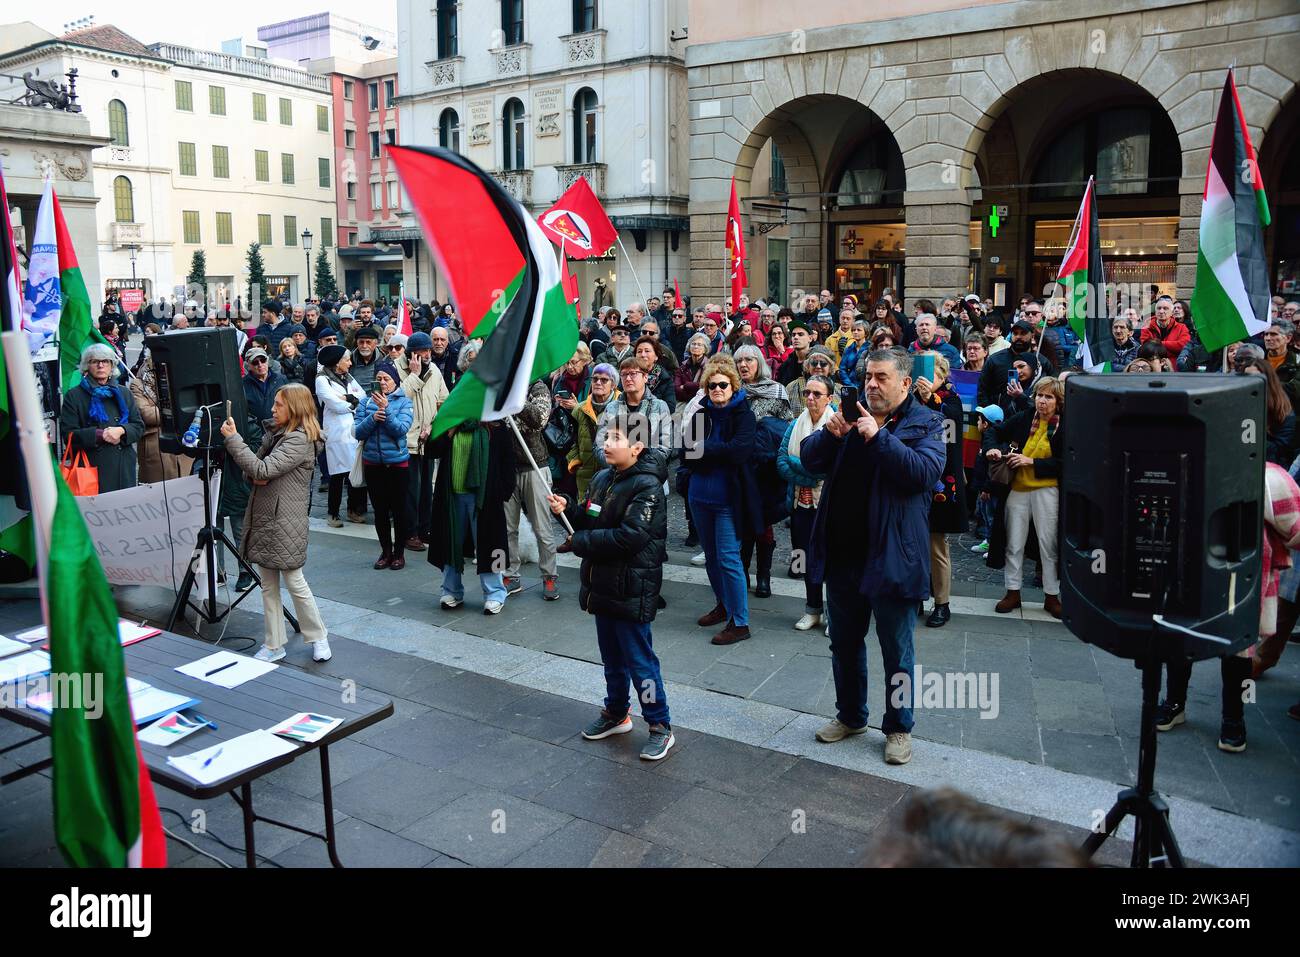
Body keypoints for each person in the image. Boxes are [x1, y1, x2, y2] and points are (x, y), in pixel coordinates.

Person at [800, 349, 945, 765]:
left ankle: (898, 728)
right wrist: (830, 433)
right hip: (844, 555)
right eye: (868, 377)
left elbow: (921, 473)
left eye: (882, 378)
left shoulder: (926, 422)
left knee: (897, 650)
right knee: (843, 644)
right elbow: (809, 460)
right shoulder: (851, 414)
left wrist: (877, 437)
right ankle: (851, 716)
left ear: (903, 382)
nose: (872, 385)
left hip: (893, 558)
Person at [546, 413, 674, 759]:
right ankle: (616, 712)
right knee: (612, 658)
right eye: (606, 437)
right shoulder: (604, 477)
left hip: (632, 585)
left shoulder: (647, 486)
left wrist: (581, 542)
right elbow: (591, 516)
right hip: (602, 582)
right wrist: (568, 509)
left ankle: (660, 724)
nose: (606, 444)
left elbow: (630, 537)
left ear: (637, 446)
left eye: (615, 438)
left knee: (640, 661)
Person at [1157, 460, 1300, 752]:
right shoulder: (1188, 462)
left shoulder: (1267, 475)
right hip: (1192, 568)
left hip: (1241, 576)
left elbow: (1296, 523)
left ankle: (1232, 718)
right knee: (1184, 634)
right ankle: (1178, 703)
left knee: (1238, 647)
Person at [219, 383, 331, 663]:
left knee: (294, 581)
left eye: (278, 404)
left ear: (293, 407)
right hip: (267, 516)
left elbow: (261, 469)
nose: (272, 408)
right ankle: (273, 644)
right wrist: (257, 472)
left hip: (284, 520)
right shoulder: (277, 435)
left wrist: (234, 440)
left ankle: (319, 637)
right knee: (268, 585)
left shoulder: (299, 439)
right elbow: (253, 474)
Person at [428, 343, 515, 615]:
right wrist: (447, 432)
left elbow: (507, 459)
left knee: (493, 545)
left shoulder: (496, 417)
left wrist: (502, 491)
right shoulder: (451, 414)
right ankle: (451, 591)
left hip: (485, 497)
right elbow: (431, 449)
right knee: (451, 543)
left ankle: (496, 592)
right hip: (453, 494)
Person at [682, 358, 762, 645]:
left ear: (733, 386)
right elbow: (686, 454)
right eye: (712, 385)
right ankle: (723, 605)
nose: (717, 389)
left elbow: (738, 452)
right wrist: (713, 450)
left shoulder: (744, 415)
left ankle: (740, 622)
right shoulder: (700, 414)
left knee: (729, 559)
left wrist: (704, 448)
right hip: (699, 495)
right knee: (712, 558)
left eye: (722, 385)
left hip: (729, 500)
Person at [989, 376, 1065, 619]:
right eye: (1039, 396)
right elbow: (995, 430)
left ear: (1058, 401)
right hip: (1018, 488)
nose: (1042, 401)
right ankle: (1013, 592)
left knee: (1048, 545)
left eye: (1048, 397)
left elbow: (1066, 463)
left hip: (1047, 489)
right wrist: (991, 448)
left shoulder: (1065, 425)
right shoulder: (1025, 418)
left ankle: (1052, 595)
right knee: (1014, 543)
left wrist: (1030, 461)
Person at [777, 373, 835, 630]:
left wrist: (803, 469)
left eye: (817, 394)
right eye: (807, 393)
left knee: (831, 560)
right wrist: (808, 475)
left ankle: (835, 615)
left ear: (829, 398)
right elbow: (780, 459)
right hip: (800, 504)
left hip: (827, 505)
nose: (810, 398)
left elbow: (828, 467)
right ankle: (812, 608)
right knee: (802, 556)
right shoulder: (795, 423)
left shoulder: (835, 425)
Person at [912, 353, 966, 627]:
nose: (923, 380)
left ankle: (942, 603)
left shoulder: (949, 400)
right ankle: (918, 596)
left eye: (930, 375)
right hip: (914, 477)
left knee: (936, 545)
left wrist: (931, 399)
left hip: (942, 483)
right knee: (913, 543)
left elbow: (952, 426)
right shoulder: (911, 399)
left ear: (942, 377)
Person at [501, 377, 561, 601]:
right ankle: (508, 574)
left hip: (535, 467)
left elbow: (538, 419)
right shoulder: (501, 386)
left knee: (542, 527)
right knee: (506, 528)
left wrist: (516, 399)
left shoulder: (537, 387)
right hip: (506, 468)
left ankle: (549, 575)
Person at [353, 361, 414, 570]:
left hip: (397, 464)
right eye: (378, 378)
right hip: (373, 463)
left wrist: (386, 411)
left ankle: (399, 553)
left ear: (395, 381)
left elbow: (401, 429)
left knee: (399, 510)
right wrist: (373, 417)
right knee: (379, 510)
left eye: (386, 378)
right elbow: (358, 432)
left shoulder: (404, 402)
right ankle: (385, 551)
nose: (382, 382)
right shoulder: (364, 403)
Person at [60, 343, 144, 494]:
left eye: (105, 361)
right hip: (91, 468)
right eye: (95, 361)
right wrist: (100, 435)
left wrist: (121, 430)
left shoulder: (124, 393)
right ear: (86, 366)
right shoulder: (74, 396)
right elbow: (68, 435)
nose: (101, 365)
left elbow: (138, 427)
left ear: (112, 366)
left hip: (123, 468)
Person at [399, 335, 449, 552]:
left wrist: (432, 427)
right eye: (421, 351)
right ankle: (410, 532)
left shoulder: (436, 370)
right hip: (407, 439)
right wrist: (414, 375)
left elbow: (444, 400)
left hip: (427, 438)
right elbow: (398, 397)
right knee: (411, 490)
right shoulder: (396, 368)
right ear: (411, 353)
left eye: (428, 350)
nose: (427, 354)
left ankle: (425, 528)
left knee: (427, 488)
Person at [315, 344, 368, 526]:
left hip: (353, 431)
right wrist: (350, 401)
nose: (350, 363)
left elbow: (362, 395)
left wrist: (347, 399)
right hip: (337, 432)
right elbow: (334, 405)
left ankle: (354, 509)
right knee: (338, 475)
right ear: (337, 363)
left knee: (355, 473)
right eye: (347, 359)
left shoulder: (348, 377)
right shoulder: (322, 380)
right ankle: (333, 513)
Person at [129, 351, 193, 485]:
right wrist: (178, 410)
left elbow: (192, 408)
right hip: (155, 447)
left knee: (185, 491)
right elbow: (147, 415)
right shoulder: (138, 384)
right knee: (158, 492)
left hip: (183, 445)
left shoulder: (182, 379)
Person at [566, 363, 619, 501]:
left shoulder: (622, 407)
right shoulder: (579, 409)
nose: (598, 383)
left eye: (604, 380)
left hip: (613, 475)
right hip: (585, 476)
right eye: (595, 379)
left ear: (613, 384)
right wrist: (575, 461)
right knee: (586, 518)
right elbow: (571, 440)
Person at [1236, 355, 1297, 466]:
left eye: (1256, 378)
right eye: (1246, 378)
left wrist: (1251, 433)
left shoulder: (1284, 411)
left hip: (1270, 469)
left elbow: (1280, 451)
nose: (1250, 383)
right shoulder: (1236, 405)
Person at [633, 336, 676, 411]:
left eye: (647, 351)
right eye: (639, 351)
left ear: (656, 356)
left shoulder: (665, 379)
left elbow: (670, 407)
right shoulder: (627, 375)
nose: (643, 355)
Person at [674, 333, 711, 404]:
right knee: (675, 414)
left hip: (701, 405)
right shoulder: (683, 366)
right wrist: (693, 390)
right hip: (684, 402)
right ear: (689, 347)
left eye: (699, 345)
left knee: (700, 415)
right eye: (693, 344)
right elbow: (676, 388)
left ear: (705, 349)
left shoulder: (710, 367)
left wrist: (686, 386)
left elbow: (705, 387)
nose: (696, 346)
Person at [838, 320, 871, 389]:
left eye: (859, 330)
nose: (855, 332)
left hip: (866, 385)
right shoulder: (848, 349)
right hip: (850, 386)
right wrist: (850, 384)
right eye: (853, 330)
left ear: (866, 332)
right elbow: (842, 369)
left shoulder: (870, 348)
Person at [350, 325, 381, 391]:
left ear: (376, 343)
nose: (364, 346)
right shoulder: (349, 360)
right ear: (357, 343)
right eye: (361, 342)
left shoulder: (383, 360)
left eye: (368, 342)